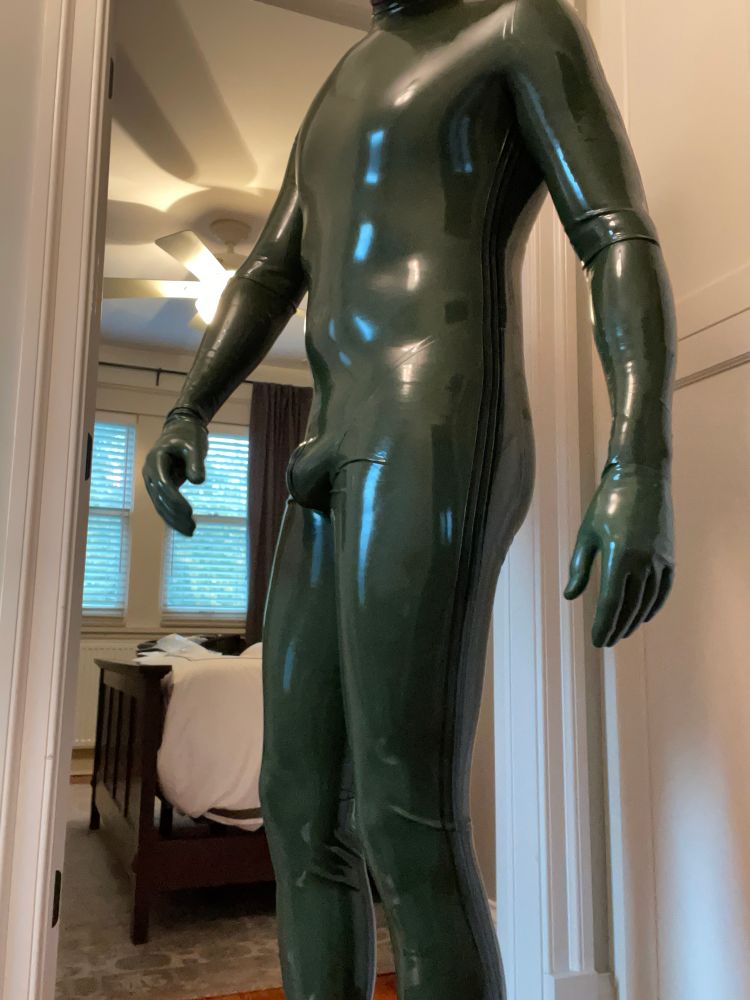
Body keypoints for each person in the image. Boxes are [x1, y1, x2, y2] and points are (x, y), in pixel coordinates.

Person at [143, 0, 675, 996]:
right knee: (298, 805)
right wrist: (188, 405)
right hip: (327, 436)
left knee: (405, 815)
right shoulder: (341, 80)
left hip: (437, 415)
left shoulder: (519, 22)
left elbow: (614, 233)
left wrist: (638, 458)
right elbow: (268, 270)